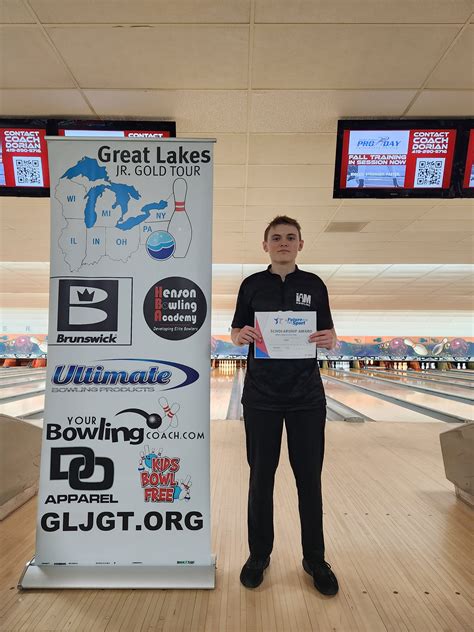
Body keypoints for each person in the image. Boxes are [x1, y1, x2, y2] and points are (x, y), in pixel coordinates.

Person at [231, 215, 339, 595]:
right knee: (261, 478)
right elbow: (236, 330)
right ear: (265, 245)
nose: (283, 243)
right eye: (276, 238)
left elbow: (329, 333)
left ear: (300, 245)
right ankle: (259, 555)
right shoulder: (251, 285)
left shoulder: (314, 284)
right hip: (261, 396)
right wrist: (239, 335)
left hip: (306, 397)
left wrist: (330, 339)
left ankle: (315, 558)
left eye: (290, 237)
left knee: (309, 479)